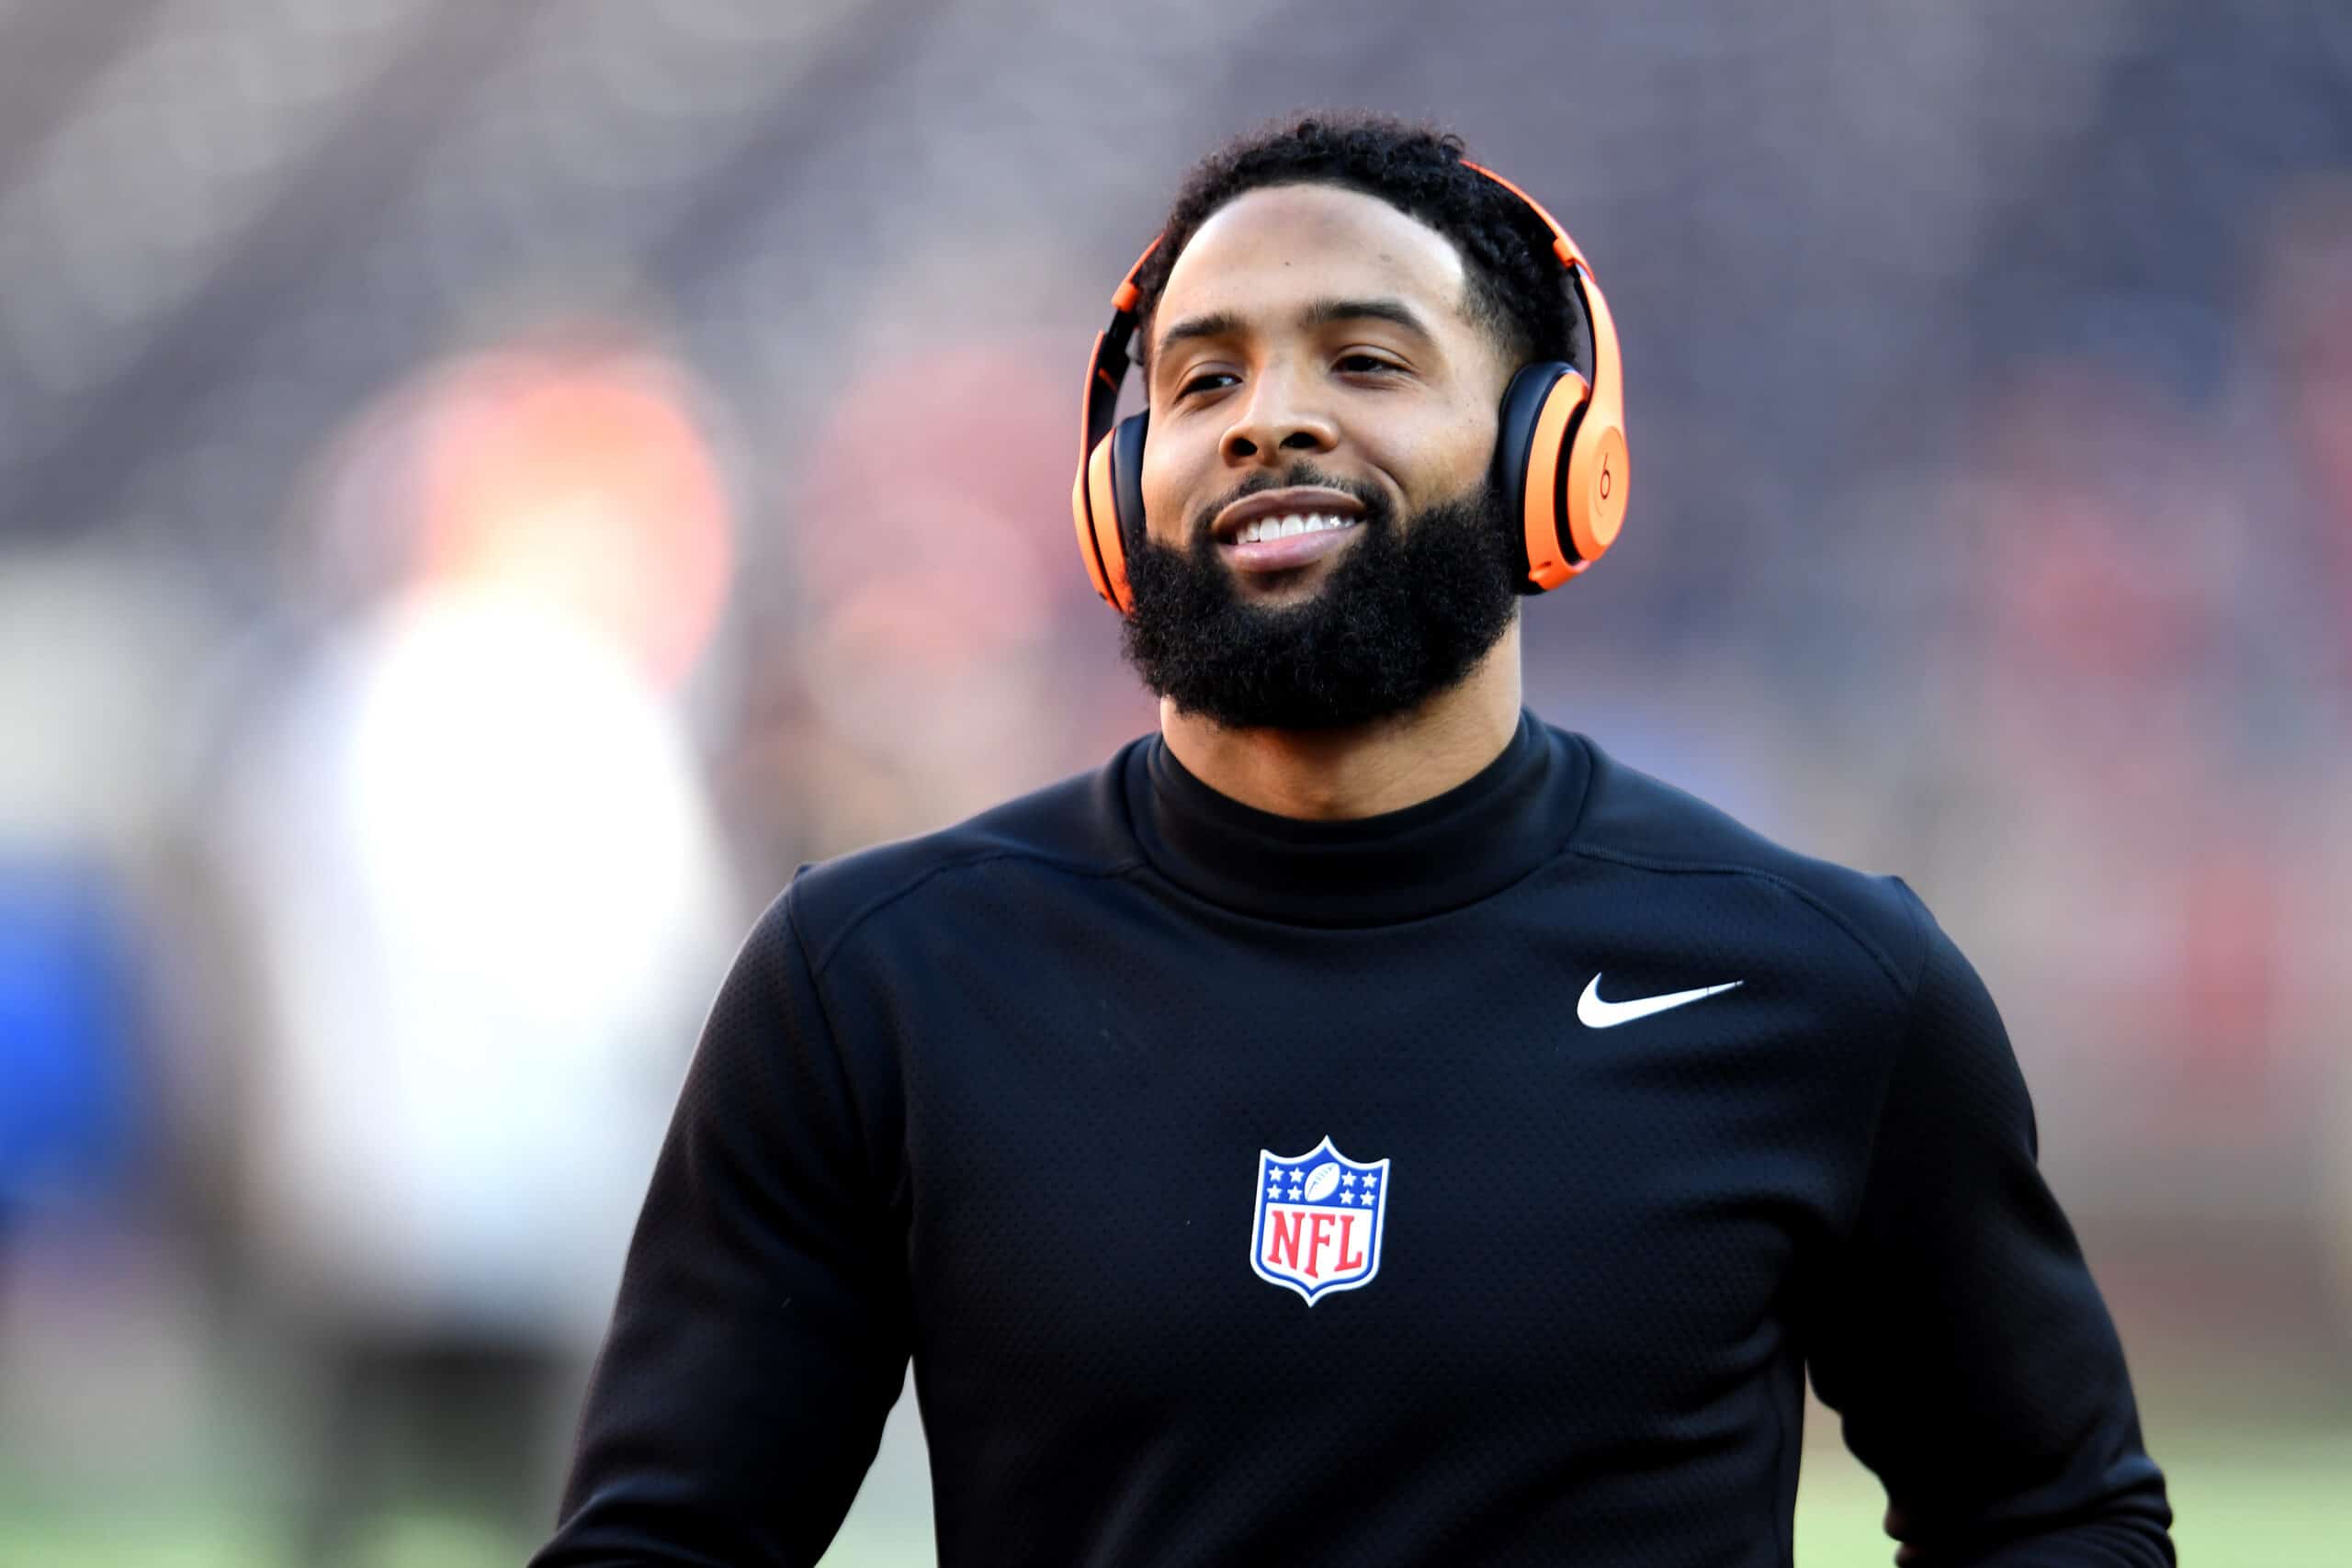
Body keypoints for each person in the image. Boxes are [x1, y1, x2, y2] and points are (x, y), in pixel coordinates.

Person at [534, 115, 2174, 1567]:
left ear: (1559, 458)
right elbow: (671, 1543)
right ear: (1121, 488)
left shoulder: (1827, 984)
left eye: (1366, 361)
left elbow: (2054, 1515)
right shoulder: (874, 979)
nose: (1268, 422)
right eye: (1205, 378)